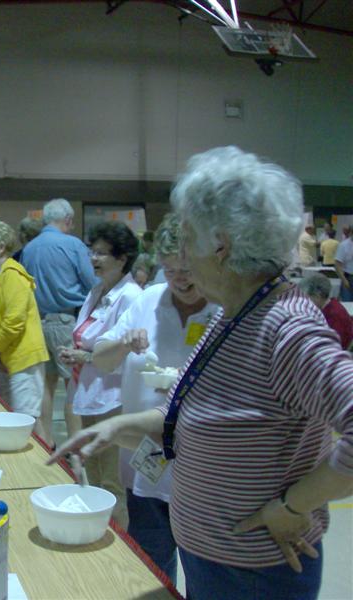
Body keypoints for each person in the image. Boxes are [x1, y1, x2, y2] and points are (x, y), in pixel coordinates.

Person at [51, 146, 353, 600]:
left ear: (220, 244)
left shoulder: (283, 328)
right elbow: (200, 415)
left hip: (253, 572)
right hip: (214, 557)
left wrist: (295, 505)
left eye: (188, 237)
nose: (183, 255)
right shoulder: (231, 313)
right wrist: (117, 426)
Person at [90, 213, 217, 583]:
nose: (181, 278)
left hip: (203, 466)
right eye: (171, 268)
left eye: (189, 268)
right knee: (151, 565)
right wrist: (122, 342)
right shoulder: (148, 300)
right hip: (146, 458)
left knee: (203, 572)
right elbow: (100, 357)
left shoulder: (224, 309)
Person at [57, 221, 141, 528]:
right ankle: (96, 532)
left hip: (113, 397)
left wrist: (86, 356)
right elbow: (86, 336)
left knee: (111, 481)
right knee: (90, 471)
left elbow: (130, 353)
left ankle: (120, 545)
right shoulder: (96, 290)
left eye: (102, 253)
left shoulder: (131, 296)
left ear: (122, 259)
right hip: (88, 392)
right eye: (92, 251)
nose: (94, 258)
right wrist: (74, 351)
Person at [21, 198, 98, 447]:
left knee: (45, 385)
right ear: (67, 220)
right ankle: (76, 448)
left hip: (37, 324)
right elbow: (92, 284)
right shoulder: (72, 244)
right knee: (73, 386)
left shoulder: (29, 248)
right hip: (66, 322)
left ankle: (46, 443)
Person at [0, 220, 49, 438]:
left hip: (22, 359)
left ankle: (48, 470)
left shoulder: (13, 274)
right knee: (13, 420)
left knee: (27, 423)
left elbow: (14, 320)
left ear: (0, 248)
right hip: (6, 361)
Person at [298, 274, 353, 349]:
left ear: (317, 296)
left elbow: (334, 345)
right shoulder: (329, 306)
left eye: (306, 298)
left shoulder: (334, 315)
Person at [335, 226, 353, 301]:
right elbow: (337, 264)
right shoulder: (343, 245)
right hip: (348, 278)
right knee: (347, 304)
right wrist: (344, 280)